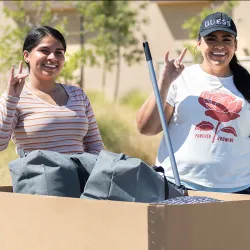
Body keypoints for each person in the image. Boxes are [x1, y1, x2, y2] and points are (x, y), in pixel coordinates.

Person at [137, 12, 250, 194]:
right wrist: (164, 82)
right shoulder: (180, 79)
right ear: (199, 43)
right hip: (178, 186)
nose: (219, 45)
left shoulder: (247, 86)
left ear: (235, 45)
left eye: (226, 39)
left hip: (236, 191)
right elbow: (146, 128)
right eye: (211, 39)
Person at [0, 26, 104, 156]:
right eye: (44, 50)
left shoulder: (78, 95)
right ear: (26, 56)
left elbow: (95, 145)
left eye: (59, 52)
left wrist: (90, 173)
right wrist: (11, 99)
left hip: (81, 175)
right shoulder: (15, 97)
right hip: (38, 175)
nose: (53, 57)